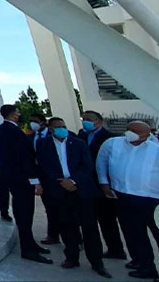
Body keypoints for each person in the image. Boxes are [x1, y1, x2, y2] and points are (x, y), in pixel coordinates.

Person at [37, 117, 110, 277]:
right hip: (59, 190)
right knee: (66, 225)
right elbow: (43, 166)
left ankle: (96, 262)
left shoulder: (78, 143)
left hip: (81, 189)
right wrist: (61, 182)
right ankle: (71, 257)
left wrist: (73, 180)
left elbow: (87, 166)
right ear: (51, 129)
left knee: (90, 227)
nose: (62, 129)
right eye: (58, 127)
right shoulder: (43, 145)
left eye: (64, 126)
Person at [97, 121, 159, 280]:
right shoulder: (112, 144)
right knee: (135, 235)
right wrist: (104, 182)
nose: (138, 137)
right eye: (134, 132)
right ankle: (145, 266)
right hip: (123, 197)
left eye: (144, 135)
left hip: (152, 199)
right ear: (128, 131)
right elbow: (101, 163)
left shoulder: (155, 149)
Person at [0, 104, 52, 264]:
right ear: (13, 114)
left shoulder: (1, 129)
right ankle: (27, 248)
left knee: (23, 213)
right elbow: (23, 158)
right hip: (21, 178)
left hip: (12, 176)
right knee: (25, 213)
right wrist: (34, 180)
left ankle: (30, 243)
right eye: (18, 112)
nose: (19, 114)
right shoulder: (13, 131)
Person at [79, 110, 126, 260]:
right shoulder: (81, 136)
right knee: (93, 219)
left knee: (108, 219)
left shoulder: (111, 138)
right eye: (84, 118)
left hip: (104, 185)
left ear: (98, 121)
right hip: (86, 185)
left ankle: (116, 249)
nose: (86, 121)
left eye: (89, 119)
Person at [29, 112, 59, 245]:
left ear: (43, 122)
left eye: (35, 121)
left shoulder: (56, 135)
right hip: (43, 177)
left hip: (59, 178)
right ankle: (53, 235)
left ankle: (77, 238)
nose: (32, 124)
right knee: (50, 208)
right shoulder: (30, 138)